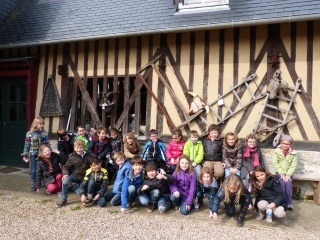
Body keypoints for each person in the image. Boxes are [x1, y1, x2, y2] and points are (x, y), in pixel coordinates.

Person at [56, 140, 92, 207]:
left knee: (84, 192)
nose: (79, 150)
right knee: (65, 180)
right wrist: (65, 174)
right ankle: (64, 198)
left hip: (86, 177)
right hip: (76, 175)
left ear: (84, 147)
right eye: (77, 148)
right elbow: (66, 167)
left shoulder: (89, 155)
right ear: (74, 148)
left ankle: (74, 187)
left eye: (81, 148)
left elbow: (93, 164)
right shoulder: (72, 157)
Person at [22, 117, 51, 191]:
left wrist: (49, 150)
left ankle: (42, 182)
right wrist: (25, 152)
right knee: (34, 169)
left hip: (42, 154)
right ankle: (33, 183)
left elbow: (47, 142)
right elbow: (27, 144)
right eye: (40, 124)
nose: (42, 125)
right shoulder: (29, 133)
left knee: (42, 168)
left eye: (42, 124)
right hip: (33, 154)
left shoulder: (44, 132)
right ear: (35, 124)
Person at [272, 135, 297, 210]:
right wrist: (282, 174)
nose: (285, 145)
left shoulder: (293, 153)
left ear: (290, 145)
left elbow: (293, 165)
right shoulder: (277, 151)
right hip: (280, 172)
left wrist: (288, 175)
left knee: (288, 183)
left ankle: (288, 203)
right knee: (282, 183)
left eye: (287, 144)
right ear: (281, 143)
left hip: (289, 174)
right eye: (283, 143)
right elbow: (275, 163)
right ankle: (282, 202)